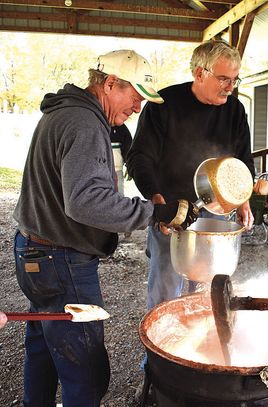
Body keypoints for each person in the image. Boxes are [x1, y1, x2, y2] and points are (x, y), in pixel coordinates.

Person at [12, 49, 194, 407]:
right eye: (135, 97)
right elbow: (84, 201)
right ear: (110, 83)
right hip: (61, 259)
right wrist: (155, 213)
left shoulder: (64, 112)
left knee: (44, 352)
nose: (138, 107)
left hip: (33, 252)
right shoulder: (83, 123)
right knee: (87, 370)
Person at [127, 39, 255, 311]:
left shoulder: (235, 110)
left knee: (211, 289)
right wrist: (157, 201)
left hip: (218, 210)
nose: (231, 87)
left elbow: (243, 159)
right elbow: (140, 157)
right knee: (165, 290)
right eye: (223, 79)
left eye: (235, 79)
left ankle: (199, 347)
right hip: (173, 211)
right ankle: (159, 353)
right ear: (199, 73)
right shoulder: (163, 104)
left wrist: (243, 200)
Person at [109, 124, 133, 196]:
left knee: (119, 195)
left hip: (117, 170)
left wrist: (129, 165)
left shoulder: (120, 127)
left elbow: (128, 145)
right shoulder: (96, 124)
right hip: (99, 171)